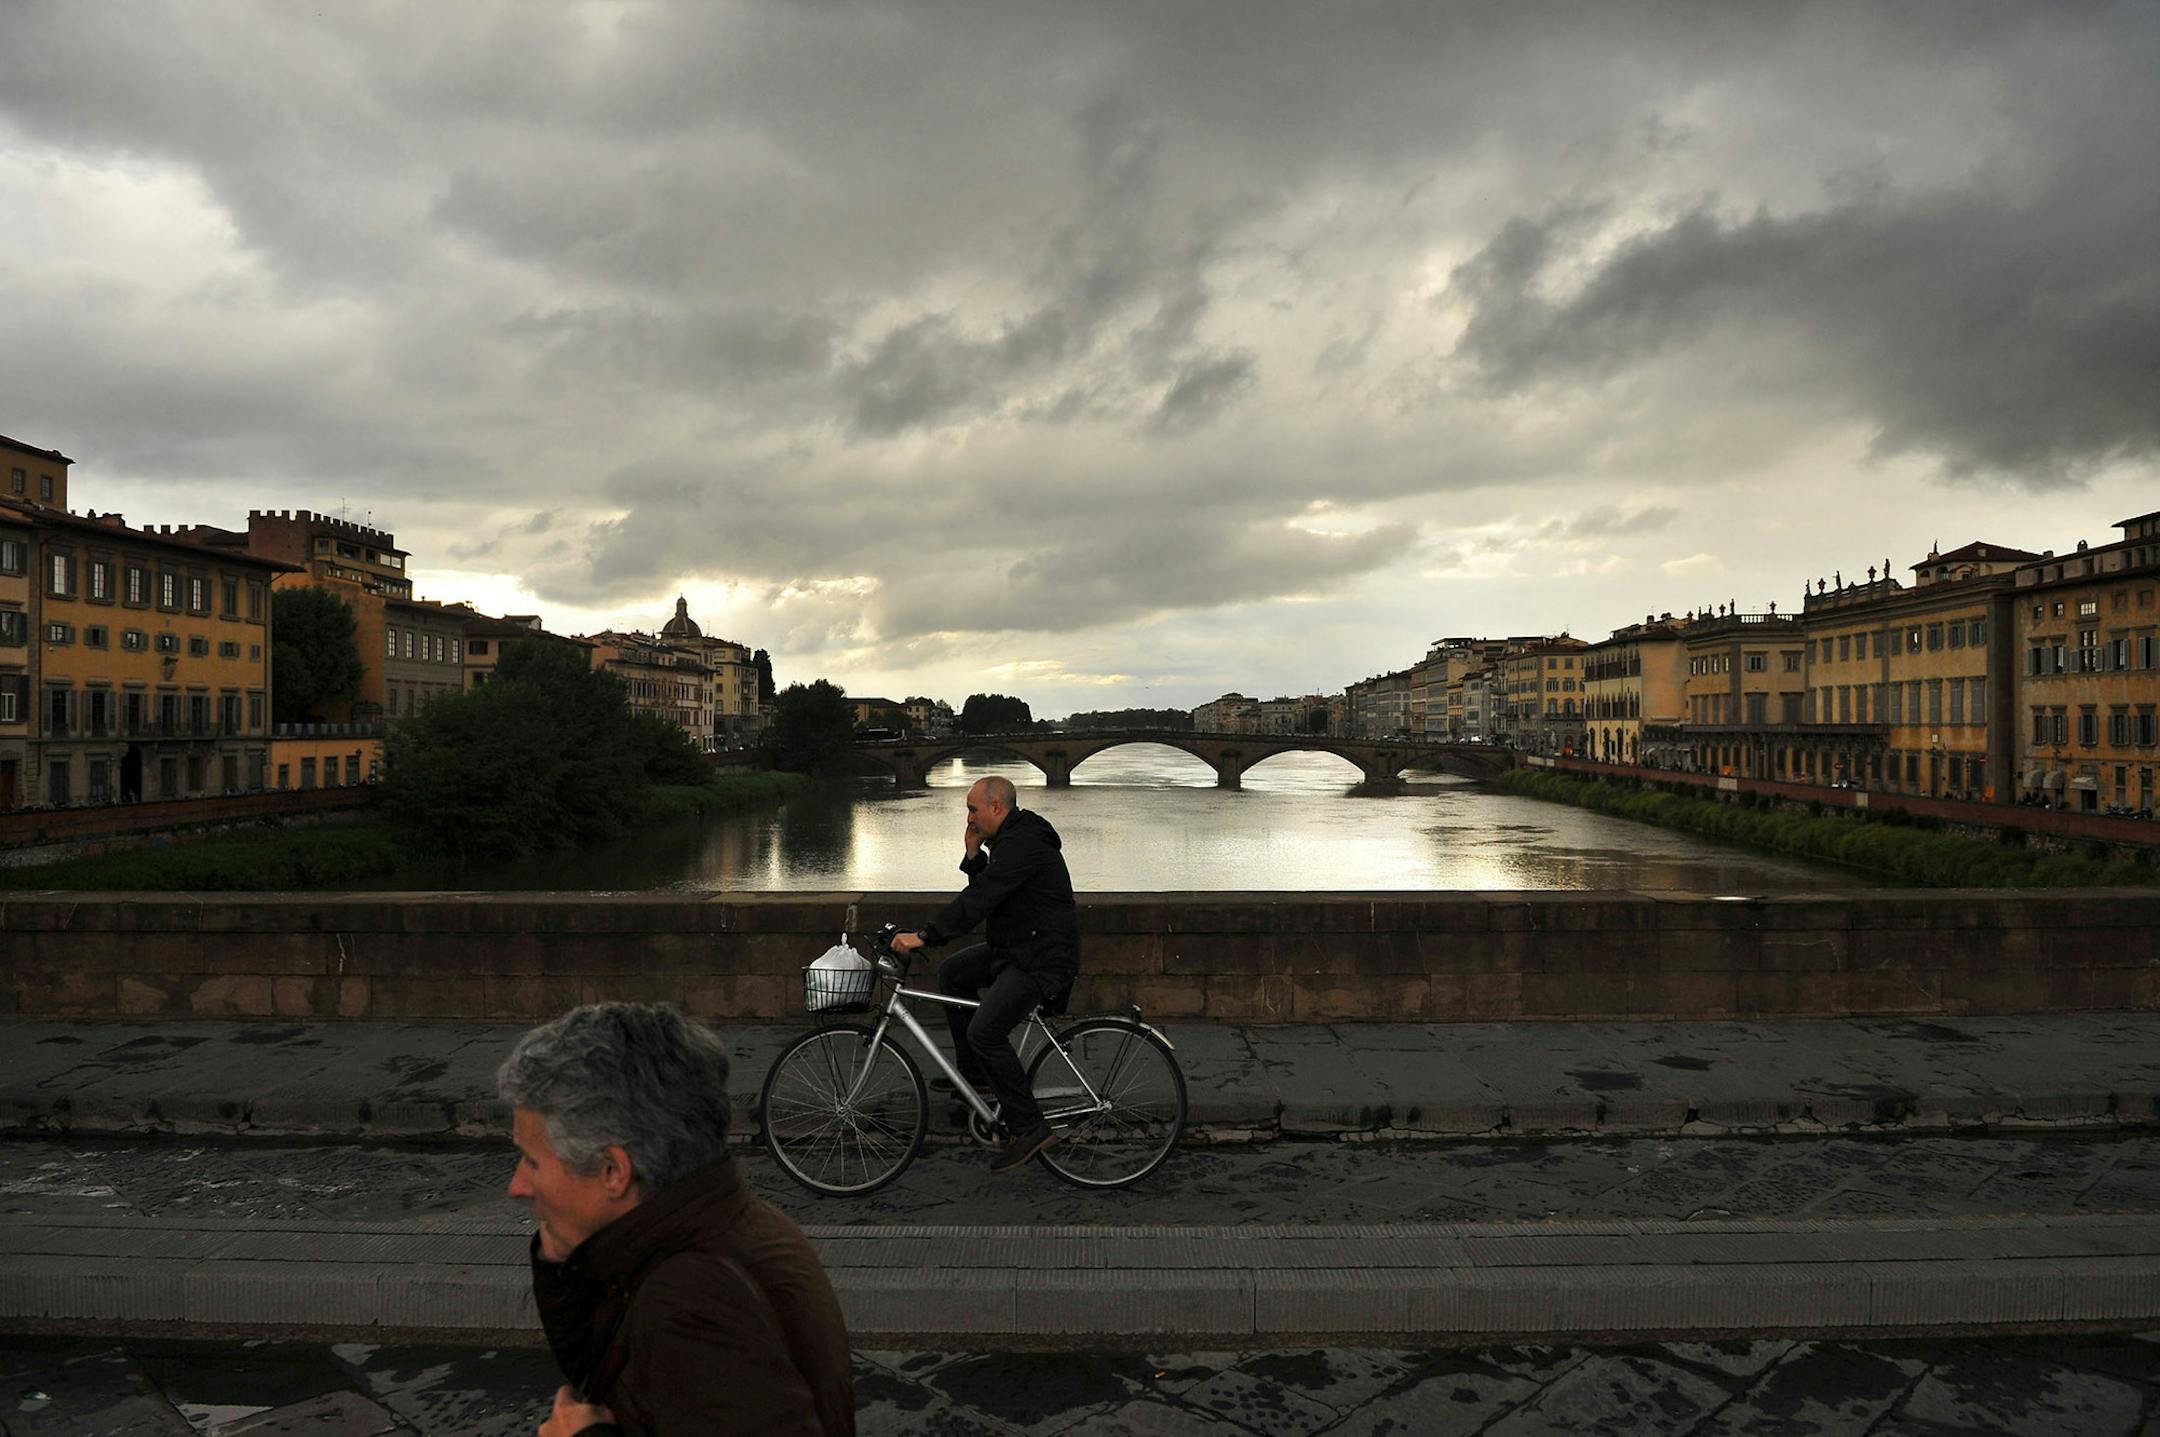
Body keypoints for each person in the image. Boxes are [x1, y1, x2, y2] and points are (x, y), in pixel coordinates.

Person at [500, 1002, 855, 1436]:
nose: (517, 1186)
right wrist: (565, 1265)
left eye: (531, 1161)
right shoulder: (715, 1226)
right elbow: (606, 1371)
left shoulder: (689, 1299)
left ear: (613, 1171)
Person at [891, 774, 1080, 1175]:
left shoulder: (1022, 844)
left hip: (1040, 957)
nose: (969, 817)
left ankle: (1029, 1128)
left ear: (997, 807)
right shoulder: (1011, 841)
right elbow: (994, 892)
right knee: (954, 973)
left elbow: (980, 900)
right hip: (1018, 945)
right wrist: (974, 854)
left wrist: (926, 935)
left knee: (985, 1031)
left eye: (973, 809)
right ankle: (977, 1077)